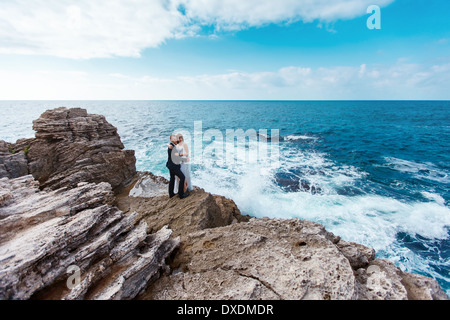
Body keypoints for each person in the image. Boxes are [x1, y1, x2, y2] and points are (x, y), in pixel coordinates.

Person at [166, 135, 190, 199]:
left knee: (172, 179)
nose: (175, 140)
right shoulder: (172, 147)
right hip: (174, 166)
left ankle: (171, 194)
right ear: (171, 140)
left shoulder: (172, 145)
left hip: (170, 165)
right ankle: (181, 194)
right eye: (173, 139)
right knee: (182, 177)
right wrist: (185, 159)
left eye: (175, 138)